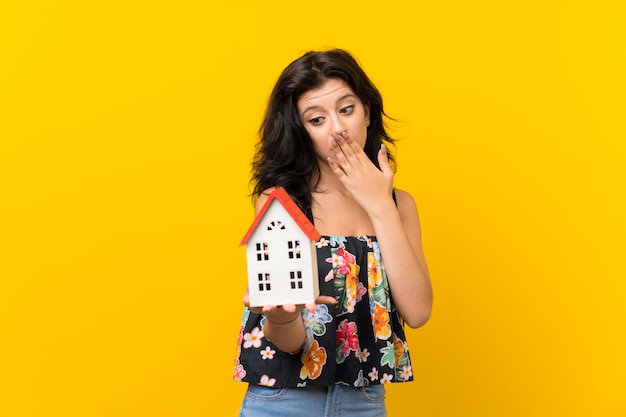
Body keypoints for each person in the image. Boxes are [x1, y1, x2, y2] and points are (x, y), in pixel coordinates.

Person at [233, 48, 433, 417]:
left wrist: (379, 205)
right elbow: (291, 345)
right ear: (302, 130)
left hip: (365, 403)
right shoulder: (280, 204)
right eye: (316, 119)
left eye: (346, 109)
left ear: (367, 112)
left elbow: (418, 312)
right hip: (282, 402)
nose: (337, 129)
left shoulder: (400, 204)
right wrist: (280, 318)